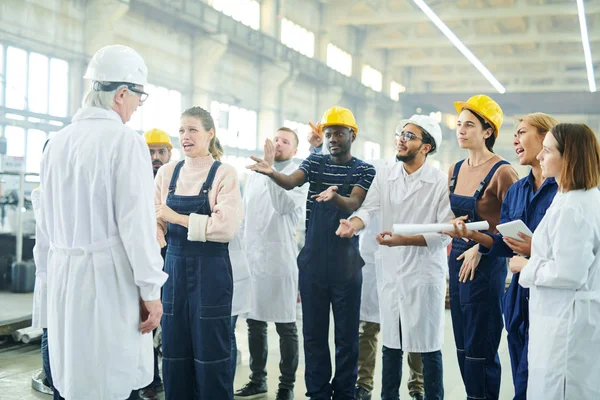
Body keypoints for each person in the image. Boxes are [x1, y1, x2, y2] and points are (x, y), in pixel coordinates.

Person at [34, 44, 168, 400]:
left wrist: (48, 282)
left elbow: (43, 226)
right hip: (108, 282)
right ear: (121, 93)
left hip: (64, 278)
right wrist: (151, 292)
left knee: (74, 377)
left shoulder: (57, 142)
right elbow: (137, 228)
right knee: (110, 379)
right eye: (139, 96)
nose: (139, 105)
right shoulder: (124, 142)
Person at [247, 106, 375, 400]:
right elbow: (291, 181)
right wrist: (271, 173)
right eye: (328, 133)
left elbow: (354, 203)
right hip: (313, 262)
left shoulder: (364, 169)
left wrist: (334, 197)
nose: (333, 138)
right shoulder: (314, 164)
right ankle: (317, 392)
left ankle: (344, 393)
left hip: (346, 264)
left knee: (346, 337)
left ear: (352, 135)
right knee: (314, 336)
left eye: (339, 133)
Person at [337, 115, 450, 400]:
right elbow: (369, 208)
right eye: (400, 133)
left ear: (426, 147)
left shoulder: (438, 181)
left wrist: (403, 240)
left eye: (409, 136)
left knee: (427, 347)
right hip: (392, 272)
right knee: (391, 346)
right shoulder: (386, 174)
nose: (400, 139)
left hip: (423, 275)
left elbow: (445, 231)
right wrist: (353, 224)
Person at [448, 112, 559, 399]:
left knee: (545, 373)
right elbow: (504, 242)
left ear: (547, 139)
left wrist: (532, 251)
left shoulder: (563, 191)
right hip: (519, 294)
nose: (515, 140)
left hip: (550, 291)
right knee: (520, 369)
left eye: (522, 132)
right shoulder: (518, 191)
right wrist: (474, 237)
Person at [154, 106, 243, 399]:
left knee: (211, 357)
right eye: (181, 130)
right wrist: (157, 228)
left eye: (192, 129)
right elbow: (154, 218)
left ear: (210, 133)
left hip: (212, 274)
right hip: (173, 273)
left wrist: (175, 217)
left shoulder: (224, 174)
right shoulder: (167, 173)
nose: (185, 136)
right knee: (174, 355)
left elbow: (224, 227)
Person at [442, 95, 519, 400]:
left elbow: (516, 224)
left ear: (488, 131)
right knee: (462, 344)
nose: (461, 130)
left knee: (480, 348)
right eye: (459, 124)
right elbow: (451, 215)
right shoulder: (455, 169)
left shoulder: (503, 172)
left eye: (469, 125)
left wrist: (481, 246)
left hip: (486, 263)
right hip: (457, 260)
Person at [519, 123, 600, 400]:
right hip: (565, 319)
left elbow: (569, 274)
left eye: (547, 150)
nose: (540, 157)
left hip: (566, 324)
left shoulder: (574, 208)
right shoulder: (575, 199)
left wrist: (526, 268)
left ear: (569, 158)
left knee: (559, 390)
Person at [235, 127, 308, 400]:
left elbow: (283, 206)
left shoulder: (299, 177)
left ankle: (286, 386)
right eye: (276, 139)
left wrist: (270, 173)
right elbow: (245, 218)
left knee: (286, 325)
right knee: (255, 323)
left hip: (280, 262)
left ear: (294, 150)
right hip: (253, 260)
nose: (278, 144)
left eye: (285, 141)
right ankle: (257, 380)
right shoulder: (253, 176)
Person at [354, 159, 425, 400]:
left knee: (410, 328)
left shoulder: (420, 186)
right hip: (372, 264)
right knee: (368, 328)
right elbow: (363, 212)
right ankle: (363, 384)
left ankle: (417, 386)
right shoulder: (375, 180)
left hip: (406, 263)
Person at [139, 128, 173, 400]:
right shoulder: (135, 181)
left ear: (170, 153)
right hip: (142, 260)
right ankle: (150, 378)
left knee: (169, 321)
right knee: (145, 320)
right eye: (151, 152)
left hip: (170, 259)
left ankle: (170, 375)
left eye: (161, 152)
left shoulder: (177, 180)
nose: (156, 157)